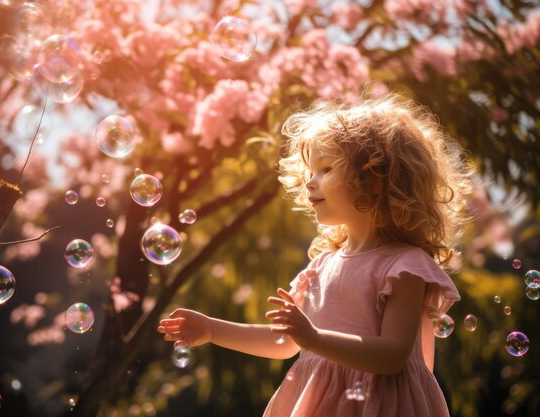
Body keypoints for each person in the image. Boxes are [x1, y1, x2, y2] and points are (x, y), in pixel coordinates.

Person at [157, 92, 475, 417]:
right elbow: (285, 342)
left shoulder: (405, 266)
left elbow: (392, 356)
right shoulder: (322, 264)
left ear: (377, 179)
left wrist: (314, 337)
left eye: (326, 169)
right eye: (310, 171)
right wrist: (212, 329)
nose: (311, 182)